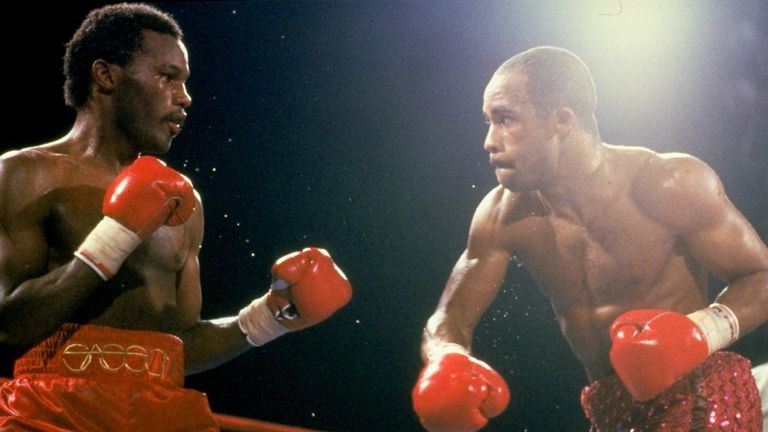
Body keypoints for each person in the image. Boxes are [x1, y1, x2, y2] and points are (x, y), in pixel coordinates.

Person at [0, 3, 351, 431]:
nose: (185, 97)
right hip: (52, 414)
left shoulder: (182, 203)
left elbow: (179, 345)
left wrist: (271, 315)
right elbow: (9, 324)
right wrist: (114, 236)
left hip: (162, 415)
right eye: (167, 77)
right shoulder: (26, 174)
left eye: (184, 81)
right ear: (106, 76)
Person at [412, 46, 768, 431]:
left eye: (504, 120)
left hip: (700, 396)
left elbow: (761, 277)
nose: (488, 141)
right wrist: (446, 355)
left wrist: (702, 330)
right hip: (610, 412)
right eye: (489, 122)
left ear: (561, 119)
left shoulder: (665, 183)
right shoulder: (503, 215)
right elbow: (450, 316)